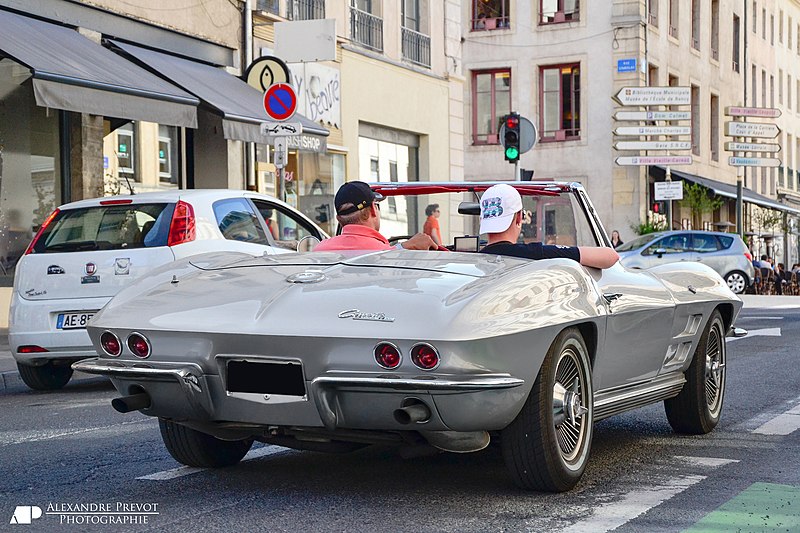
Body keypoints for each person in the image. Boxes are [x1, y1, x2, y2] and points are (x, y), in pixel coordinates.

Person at [477, 184, 619, 269]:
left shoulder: (470, 259)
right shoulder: (535, 253)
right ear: (519, 218)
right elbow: (610, 256)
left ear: (483, 219)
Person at [314, 181, 436, 252]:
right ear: (373, 209)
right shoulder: (385, 254)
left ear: (339, 220)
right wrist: (405, 247)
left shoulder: (319, 250)